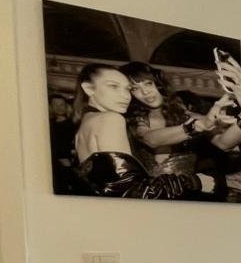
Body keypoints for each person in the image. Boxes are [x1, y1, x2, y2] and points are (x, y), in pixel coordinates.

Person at [67, 63, 196, 199]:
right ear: (88, 89)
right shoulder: (111, 119)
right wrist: (194, 182)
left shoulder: (85, 124)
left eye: (128, 89)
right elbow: (133, 192)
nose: (125, 96)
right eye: (113, 86)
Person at [119, 62, 241, 188]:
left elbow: (224, 142)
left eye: (148, 83)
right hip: (151, 192)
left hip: (189, 189)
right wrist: (197, 126)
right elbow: (150, 139)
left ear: (157, 82)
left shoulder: (182, 108)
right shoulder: (132, 119)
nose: (145, 92)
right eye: (135, 89)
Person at [48, 94, 76, 174]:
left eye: (61, 104)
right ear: (51, 107)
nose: (59, 107)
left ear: (66, 106)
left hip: (67, 162)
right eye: (55, 105)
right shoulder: (48, 124)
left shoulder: (72, 123)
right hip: (52, 162)